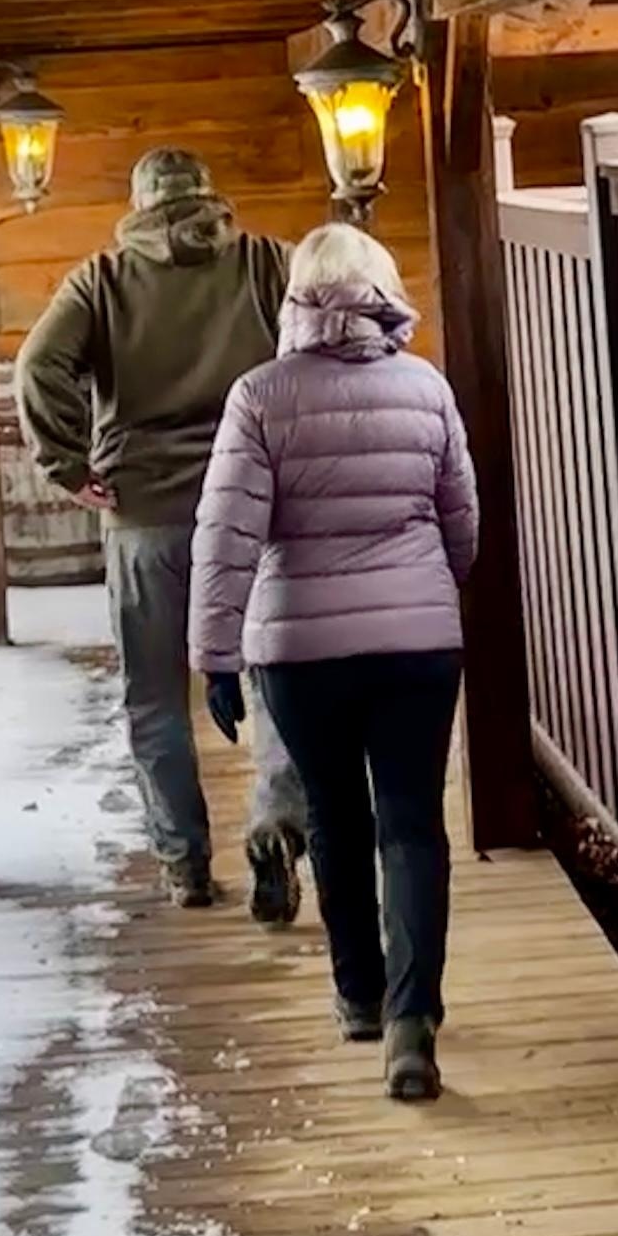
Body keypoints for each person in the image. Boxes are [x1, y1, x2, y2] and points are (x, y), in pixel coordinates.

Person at [188, 221, 479, 1103]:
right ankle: (412, 1020)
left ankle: (358, 993)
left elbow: (227, 535)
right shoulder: (425, 387)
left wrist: (215, 656)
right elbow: (460, 520)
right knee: (413, 824)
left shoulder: (260, 396)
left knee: (335, 820)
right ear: (382, 292)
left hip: (302, 651)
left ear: (297, 301)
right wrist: (428, 587)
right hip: (419, 646)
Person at [15, 147, 309, 916]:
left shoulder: (101, 281)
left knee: (153, 698)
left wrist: (69, 465)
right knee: (275, 678)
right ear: (211, 197)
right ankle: (277, 824)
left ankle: (184, 863)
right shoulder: (267, 263)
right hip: (254, 509)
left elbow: (38, 367)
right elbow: (321, 349)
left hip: (145, 516)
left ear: (140, 205)